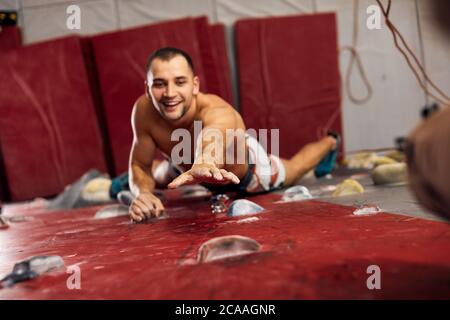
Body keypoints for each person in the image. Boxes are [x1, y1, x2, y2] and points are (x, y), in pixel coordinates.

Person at [127, 47, 337, 222]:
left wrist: (203, 162)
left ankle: (330, 142)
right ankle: (137, 178)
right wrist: (143, 193)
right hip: (185, 164)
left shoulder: (218, 112)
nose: (170, 93)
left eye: (180, 82)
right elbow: (139, 165)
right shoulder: (144, 111)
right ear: (147, 88)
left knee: (295, 168)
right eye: (160, 84)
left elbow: (211, 138)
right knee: (155, 177)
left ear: (195, 86)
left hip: (244, 171)